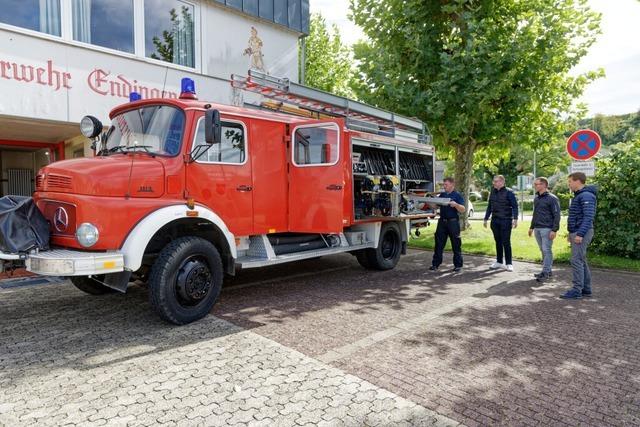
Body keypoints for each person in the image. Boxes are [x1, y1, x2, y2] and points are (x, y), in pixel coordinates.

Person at [560, 172, 597, 299]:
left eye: (570, 181)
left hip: (582, 232)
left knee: (576, 260)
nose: (568, 184)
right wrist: (571, 233)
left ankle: (577, 290)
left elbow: (588, 217)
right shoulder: (580, 195)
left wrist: (580, 234)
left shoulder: (586, 195)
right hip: (577, 231)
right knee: (581, 260)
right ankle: (586, 289)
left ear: (577, 181)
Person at [429, 177, 466, 273]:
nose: (444, 186)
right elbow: (435, 206)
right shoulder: (442, 195)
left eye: (446, 184)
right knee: (438, 244)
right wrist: (428, 201)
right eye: (444, 184)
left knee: (456, 244)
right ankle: (435, 264)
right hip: (442, 222)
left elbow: (463, 209)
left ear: (452, 185)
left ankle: (458, 265)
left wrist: (456, 205)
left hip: (453, 222)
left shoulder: (457, 195)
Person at [528, 177, 561, 282]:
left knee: (546, 250)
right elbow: (535, 214)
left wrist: (554, 230)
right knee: (543, 250)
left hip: (547, 229)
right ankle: (547, 270)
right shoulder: (536, 198)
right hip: (537, 228)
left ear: (543, 185)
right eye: (535, 184)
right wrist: (531, 227)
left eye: (536, 184)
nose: (535, 186)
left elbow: (557, 215)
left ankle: (545, 272)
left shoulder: (552, 198)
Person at [483, 175, 519, 271]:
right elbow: (489, 206)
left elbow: (515, 206)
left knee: (506, 242)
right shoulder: (492, 192)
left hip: (506, 220)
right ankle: (499, 261)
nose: (493, 183)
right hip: (495, 221)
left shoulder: (509, 192)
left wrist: (515, 219)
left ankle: (509, 263)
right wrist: (486, 218)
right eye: (493, 181)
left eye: (496, 181)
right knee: (498, 242)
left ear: (502, 182)